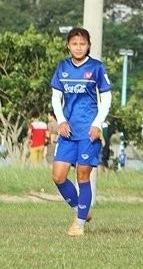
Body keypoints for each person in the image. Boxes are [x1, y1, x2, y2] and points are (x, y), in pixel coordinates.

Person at [50, 27, 112, 237]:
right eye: (74, 44)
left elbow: (107, 98)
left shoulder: (96, 68)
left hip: (88, 132)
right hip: (67, 131)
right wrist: (61, 120)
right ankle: (81, 211)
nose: (78, 47)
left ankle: (79, 224)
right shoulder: (62, 67)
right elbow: (56, 97)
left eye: (82, 44)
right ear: (68, 45)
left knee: (82, 176)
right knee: (58, 176)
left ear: (88, 46)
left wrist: (97, 124)